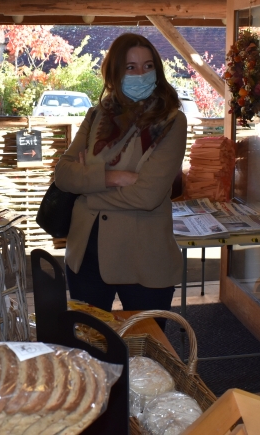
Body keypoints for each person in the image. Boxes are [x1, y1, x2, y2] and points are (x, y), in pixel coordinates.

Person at [54, 34, 187, 317]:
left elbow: (148, 195)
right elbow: (64, 175)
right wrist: (114, 178)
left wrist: (87, 190)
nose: (141, 74)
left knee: (146, 350)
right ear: (114, 73)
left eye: (147, 66)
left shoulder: (171, 122)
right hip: (86, 255)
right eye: (130, 67)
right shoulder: (96, 116)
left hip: (144, 258)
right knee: (89, 348)